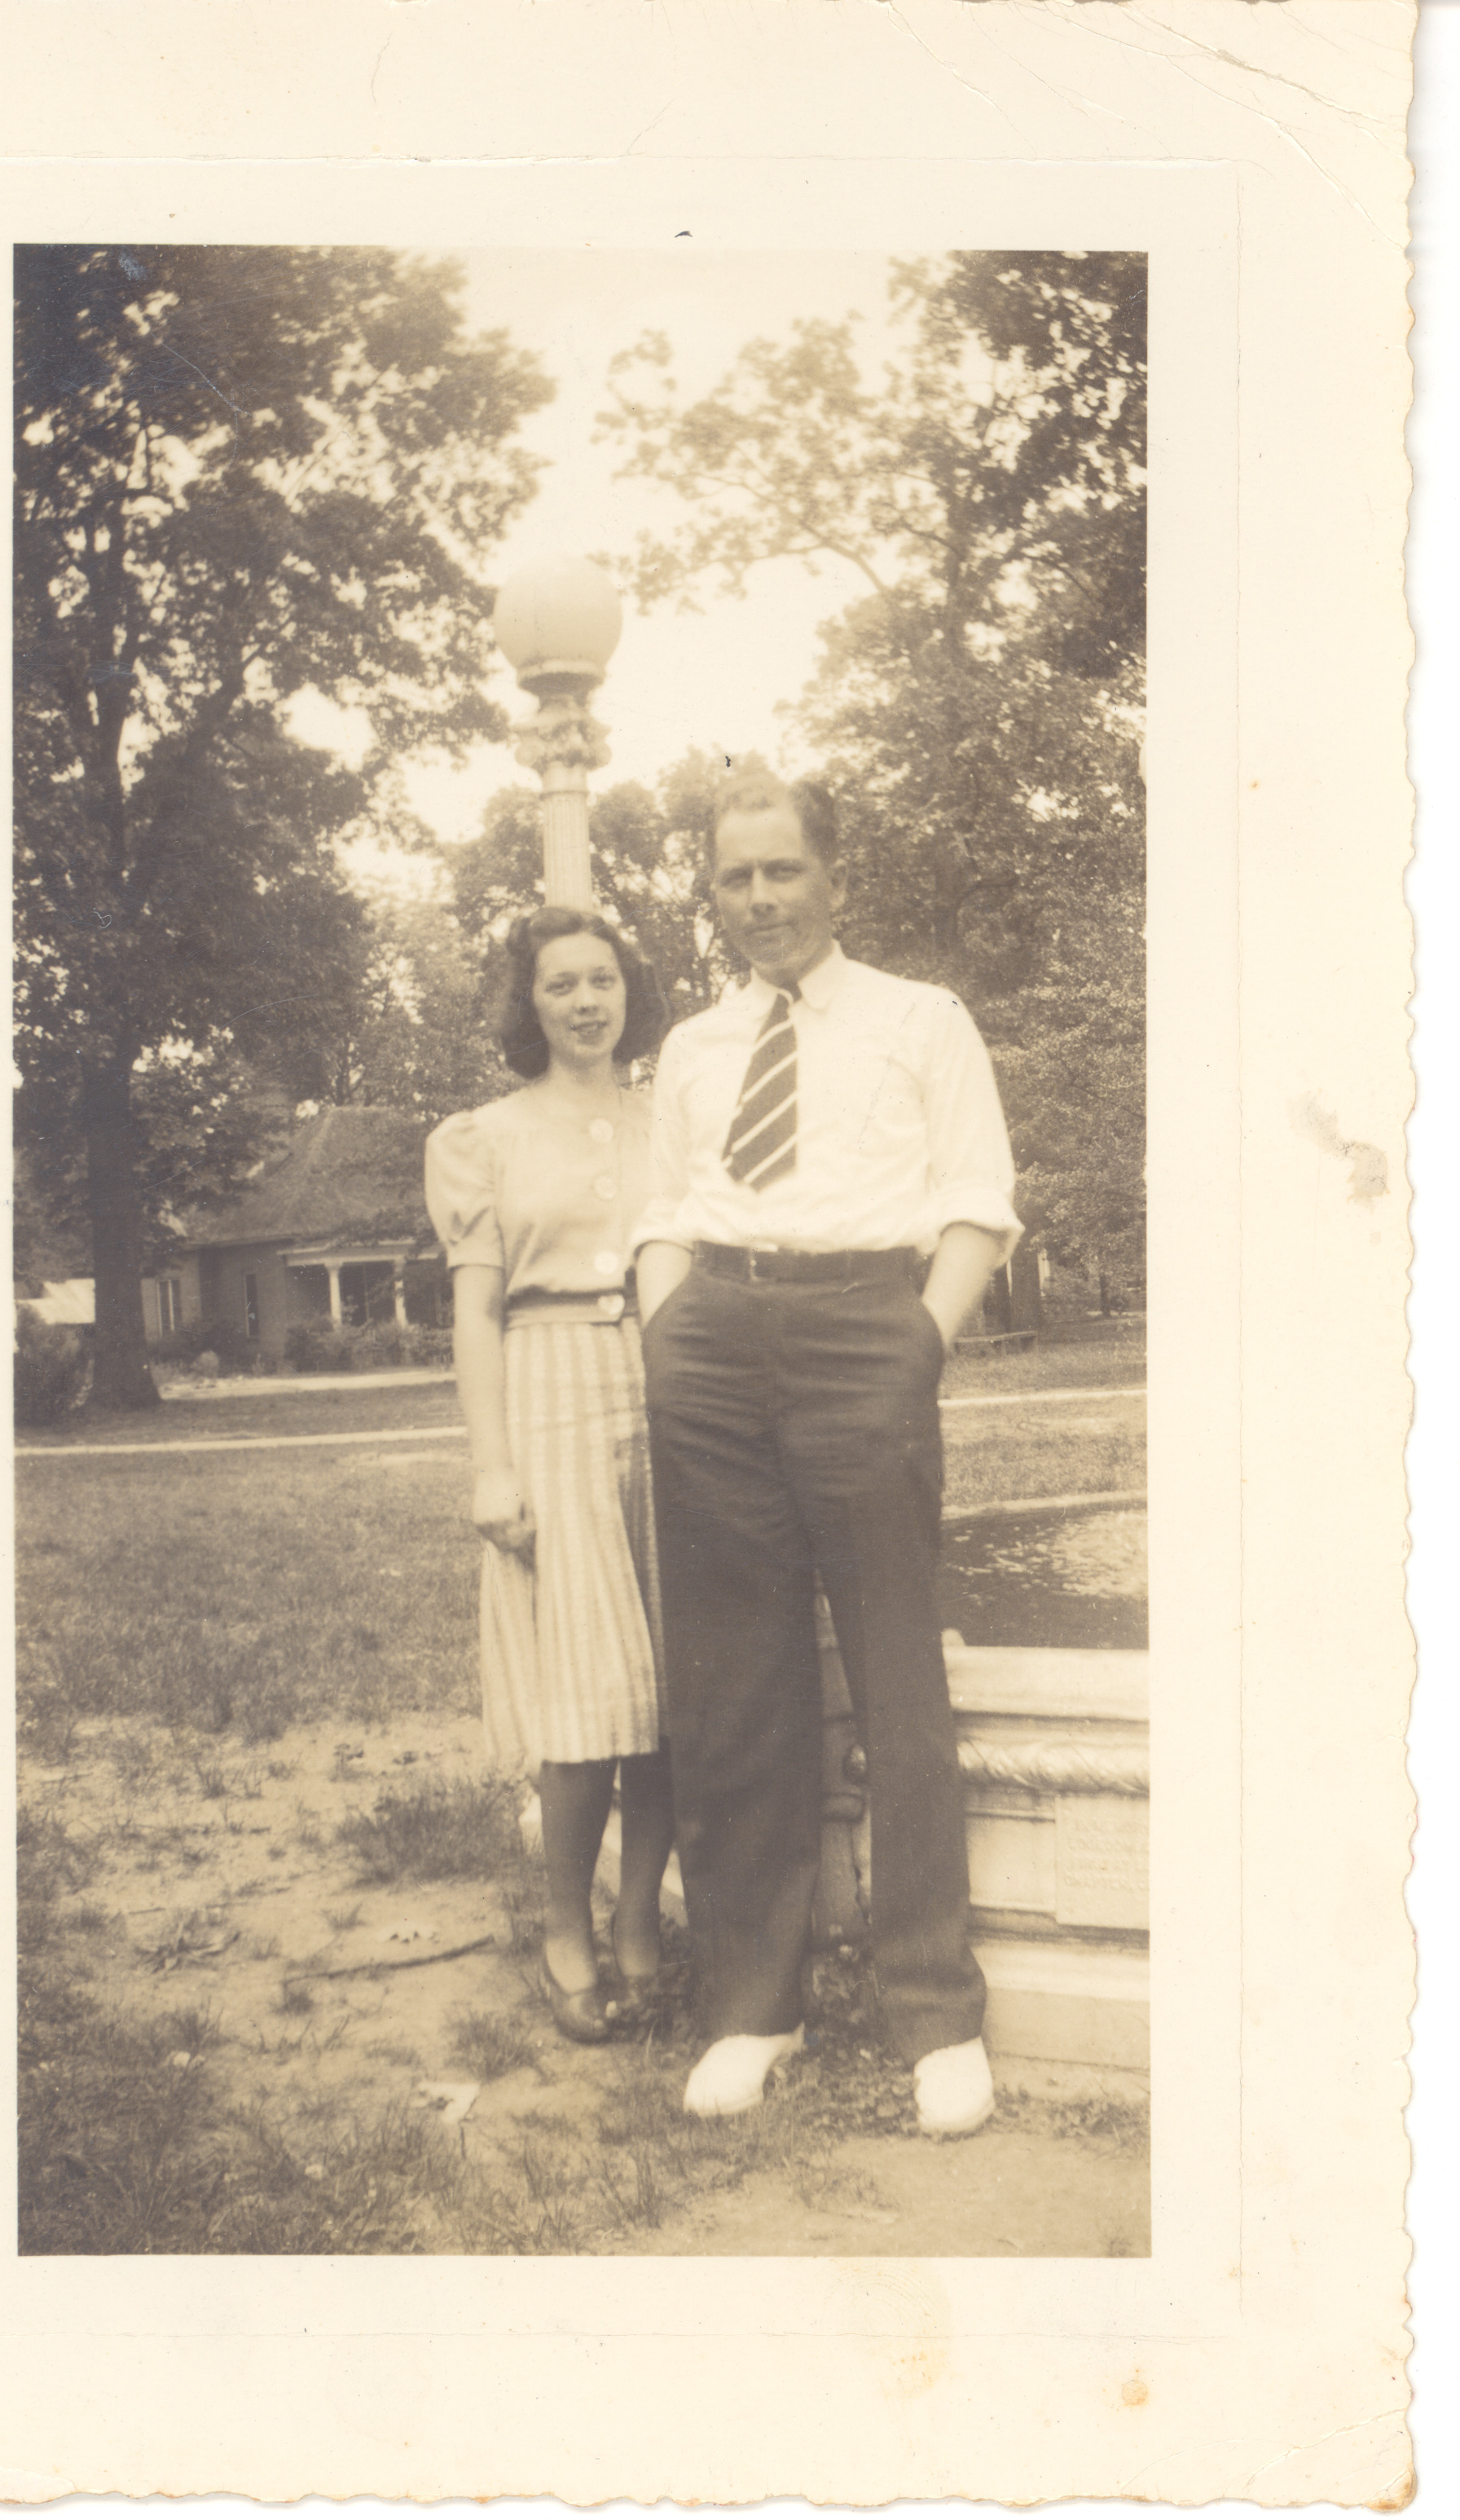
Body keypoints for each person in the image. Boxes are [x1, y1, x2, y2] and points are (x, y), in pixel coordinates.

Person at [635, 769, 1021, 2131]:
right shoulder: (692, 1046)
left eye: (781, 870)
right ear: (713, 894)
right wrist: (666, 1329)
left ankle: (932, 2015)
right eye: (734, 878)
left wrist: (917, 1342)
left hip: (868, 1329)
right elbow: (663, 1211)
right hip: (710, 1341)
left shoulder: (921, 1019)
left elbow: (976, 1197)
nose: (758, 899)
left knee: (893, 1671)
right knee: (733, 1683)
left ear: (834, 877)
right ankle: (755, 2005)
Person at [424, 905, 676, 2043]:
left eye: (602, 980)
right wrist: (492, 1465)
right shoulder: (481, 1137)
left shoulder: (671, 1119)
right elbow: (476, 1312)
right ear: (528, 1006)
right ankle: (565, 1927)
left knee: (672, 1681)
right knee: (585, 1683)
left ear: (630, 993)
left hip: (668, 1381)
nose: (585, 1002)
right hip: (548, 1385)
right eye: (560, 985)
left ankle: (641, 1916)